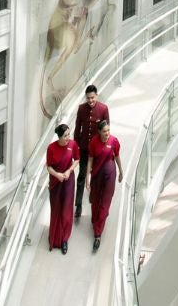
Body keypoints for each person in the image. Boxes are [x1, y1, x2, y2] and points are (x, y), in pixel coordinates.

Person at [72, 84, 109, 221]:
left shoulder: (103, 109)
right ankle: (79, 205)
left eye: (92, 98)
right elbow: (77, 130)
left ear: (97, 96)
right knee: (81, 176)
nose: (90, 101)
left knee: (96, 176)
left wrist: (104, 149)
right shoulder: (81, 109)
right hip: (83, 149)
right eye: (88, 98)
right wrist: (75, 148)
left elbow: (106, 131)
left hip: (97, 151)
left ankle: (94, 199)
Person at [86, 118, 123, 251]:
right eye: (104, 131)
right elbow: (90, 159)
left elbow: (117, 156)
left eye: (108, 130)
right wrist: (87, 178)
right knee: (95, 200)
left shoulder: (114, 141)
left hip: (110, 175)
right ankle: (96, 220)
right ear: (99, 132)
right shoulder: (93, 143)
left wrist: (121, 172)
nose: (107, 133)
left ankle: (98, 234)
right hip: (96, 175)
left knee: (105, 202)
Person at [44, 123, 78, 254]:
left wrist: (69, 171)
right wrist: (57, 175)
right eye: (65, 136)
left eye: (69, 134)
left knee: (66, 209)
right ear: (59, 137)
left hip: (68, 180)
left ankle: (64, 239)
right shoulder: (51, 148)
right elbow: (49, 167)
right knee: (56, 208)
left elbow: (77, 160)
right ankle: (54, 237)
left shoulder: (73, 145)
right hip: (55, 181)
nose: (68, 137)